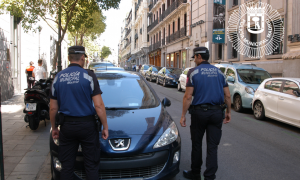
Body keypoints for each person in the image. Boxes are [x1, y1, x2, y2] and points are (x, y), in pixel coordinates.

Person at [49, 46, 109, 180]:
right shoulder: (89, 76)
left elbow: (53, 108)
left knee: (67, 166)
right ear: (83, 57)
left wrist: (54, 128)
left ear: (69, 58)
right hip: (87, 127)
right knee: (91, 165)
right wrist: (105, 126)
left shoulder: (58, 77)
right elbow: (98, 106)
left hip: (67, 127)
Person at [180, 47, 231, 180]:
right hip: (216, 113)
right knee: (213, 147)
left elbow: (188, 96)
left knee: (197, 144)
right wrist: (228, 112)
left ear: (198, 57)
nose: (194, 60)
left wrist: (183, 115)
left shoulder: (193, 72)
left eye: (194, 57)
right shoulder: (220, 73)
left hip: (199, 113)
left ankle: (195, 173)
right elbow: (228, 96)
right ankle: (209, 176)